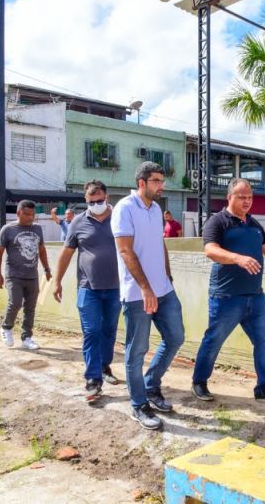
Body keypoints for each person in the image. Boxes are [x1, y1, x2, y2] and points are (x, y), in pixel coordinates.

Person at [192, 178, 265, 405]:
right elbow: (210, 250)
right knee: (213, 340)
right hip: (226, 297)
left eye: (249, 197)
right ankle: (199, 381)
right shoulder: (217, 221)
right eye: (241, 197)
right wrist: (238, 258)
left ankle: (264, 388)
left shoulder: (254, 225)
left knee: (264, 342)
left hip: (255, 297)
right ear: (229, 198)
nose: (246, 201)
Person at [113, 162, 185, 431]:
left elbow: (159, 243)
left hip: (164, 289)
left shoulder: (156, 209)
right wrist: (145, 288)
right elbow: (125, 251)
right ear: (141, 182)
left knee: (176, 336)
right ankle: (138, 405)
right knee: (137, 350)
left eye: (162, 181)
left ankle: (151, 386)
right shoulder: (124, 209)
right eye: (156, 181)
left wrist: (167, 274)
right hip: (137, 294)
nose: (161, 186)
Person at [53, 180, 121, 403]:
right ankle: (93, 380)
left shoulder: (119, 218)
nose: (97, 204)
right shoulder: (78, 223)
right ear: (86, 200)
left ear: (107, 197)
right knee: (91, 331)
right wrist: (57, 281)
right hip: (88, 288)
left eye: (100, 200)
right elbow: (66, 253)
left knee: (109, 331)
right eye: (93, 202)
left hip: (116, 288)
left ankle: (104, 367)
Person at [0, 200, 51, 350]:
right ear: (18, 213)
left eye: (33, 214)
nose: (30, 217)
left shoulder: (37, 229)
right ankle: (6, 327)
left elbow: (42, 250)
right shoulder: (8, 229)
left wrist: (46, 268)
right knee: (15, 302)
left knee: (30, 307)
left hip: (32, 275)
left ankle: (27, 337)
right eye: (27, 214)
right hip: (14, 274)